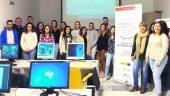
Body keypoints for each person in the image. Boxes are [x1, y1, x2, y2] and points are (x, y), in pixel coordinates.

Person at [145, 21, 169, 96]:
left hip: (160, 60)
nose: (156, 27)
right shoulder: (151, 35)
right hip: (151, 59)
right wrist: (146, 57)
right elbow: (149, 47)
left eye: (158, 26)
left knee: (156, 76)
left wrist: (159, 60)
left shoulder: (163, 36)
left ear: (161, 27)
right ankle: (159, 90)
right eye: (155, 26)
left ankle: (158, 93)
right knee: (156, 76)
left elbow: (165, 49)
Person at [129, 22, 150, 94]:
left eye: (144, 26)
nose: (142, 28)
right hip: (137, 56)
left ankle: (144, 87)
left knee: (144, 72)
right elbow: (134, 45)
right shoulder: (136, 35)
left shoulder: (148, 36)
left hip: (145, 57)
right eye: (141, 26)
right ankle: (135, 86)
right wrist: (132, 54)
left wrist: (148, 56)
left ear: (146, 27)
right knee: (135, 71)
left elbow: (150, 47)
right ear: (139, 27)